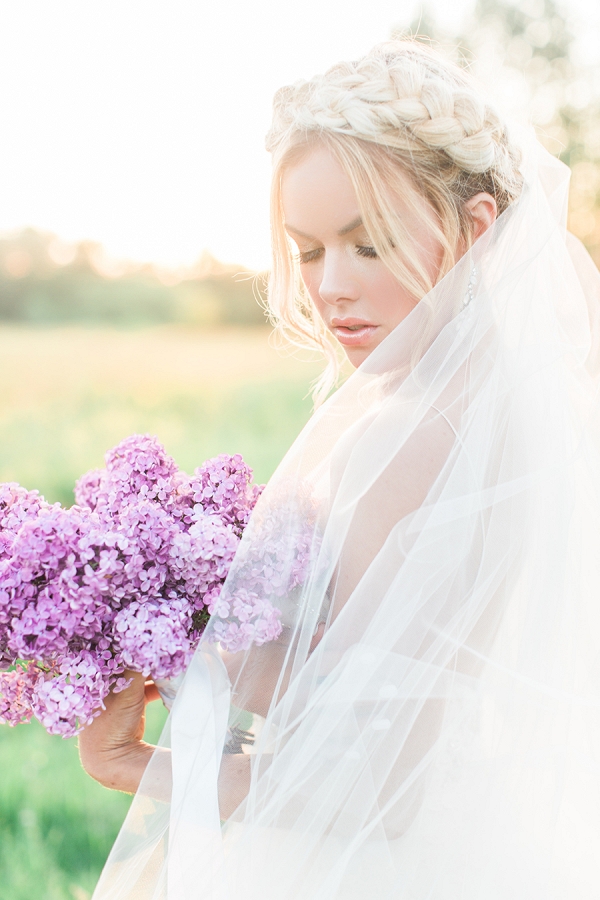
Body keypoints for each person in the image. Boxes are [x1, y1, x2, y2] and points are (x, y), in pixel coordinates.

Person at [79, 40, 600, 898]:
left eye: (369, 243)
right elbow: (352, 668)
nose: (332, 289)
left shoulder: (432, 436)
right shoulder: (459, 402)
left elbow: (374, 788)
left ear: (475, 227)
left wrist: (136, 766)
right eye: (310, 251)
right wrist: (159, 625)